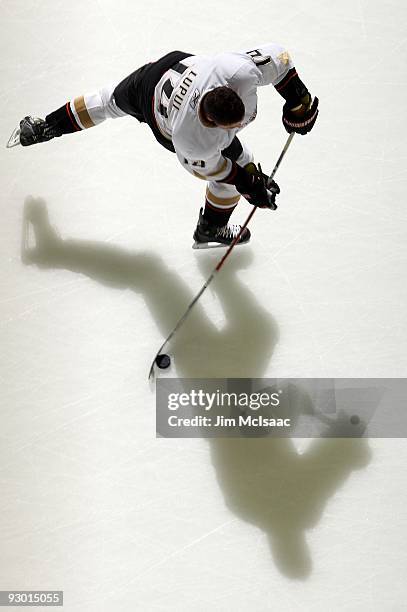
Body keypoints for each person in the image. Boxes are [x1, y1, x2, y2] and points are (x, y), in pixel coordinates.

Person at [13, 43, 318, 248]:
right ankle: (47, 127)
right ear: (212, 122)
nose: (240, 128)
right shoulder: (193, 141)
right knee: (107, 102)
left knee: (106, 100)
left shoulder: (236, 72)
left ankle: (44, 126)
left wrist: (297, 100)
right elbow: (220, 170)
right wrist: (248, 183)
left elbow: (279, 58)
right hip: (152, 99)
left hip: (169, 67)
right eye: (232, 127)